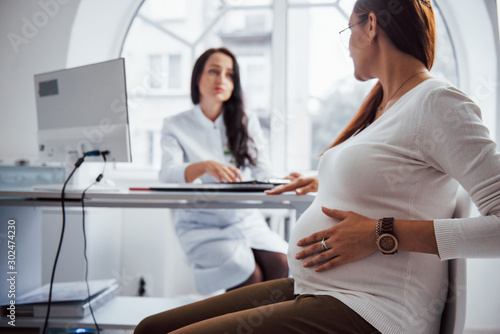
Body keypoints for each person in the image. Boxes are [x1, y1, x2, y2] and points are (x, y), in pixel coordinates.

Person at [135, 1, 500, 333]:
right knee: (150, 329)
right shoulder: (386, 107)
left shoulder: (438, 102)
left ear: (371, 25)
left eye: (349, 31)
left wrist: (380, 233)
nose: (348, 44)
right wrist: (325, 179)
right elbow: (397, 174)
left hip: (371, 309)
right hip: (316, 288)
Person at [158, 47, 289, 295]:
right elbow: (167, 174)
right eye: (214, 72)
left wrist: (283, 179)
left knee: (282, 263)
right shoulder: (176, 125)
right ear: (198, 78)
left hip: (244, 220)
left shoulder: (245, 120)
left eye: (229, 75)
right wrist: (204, 166)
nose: (221, 80)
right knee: (248, 272)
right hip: (200, 225)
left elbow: (263, 170)